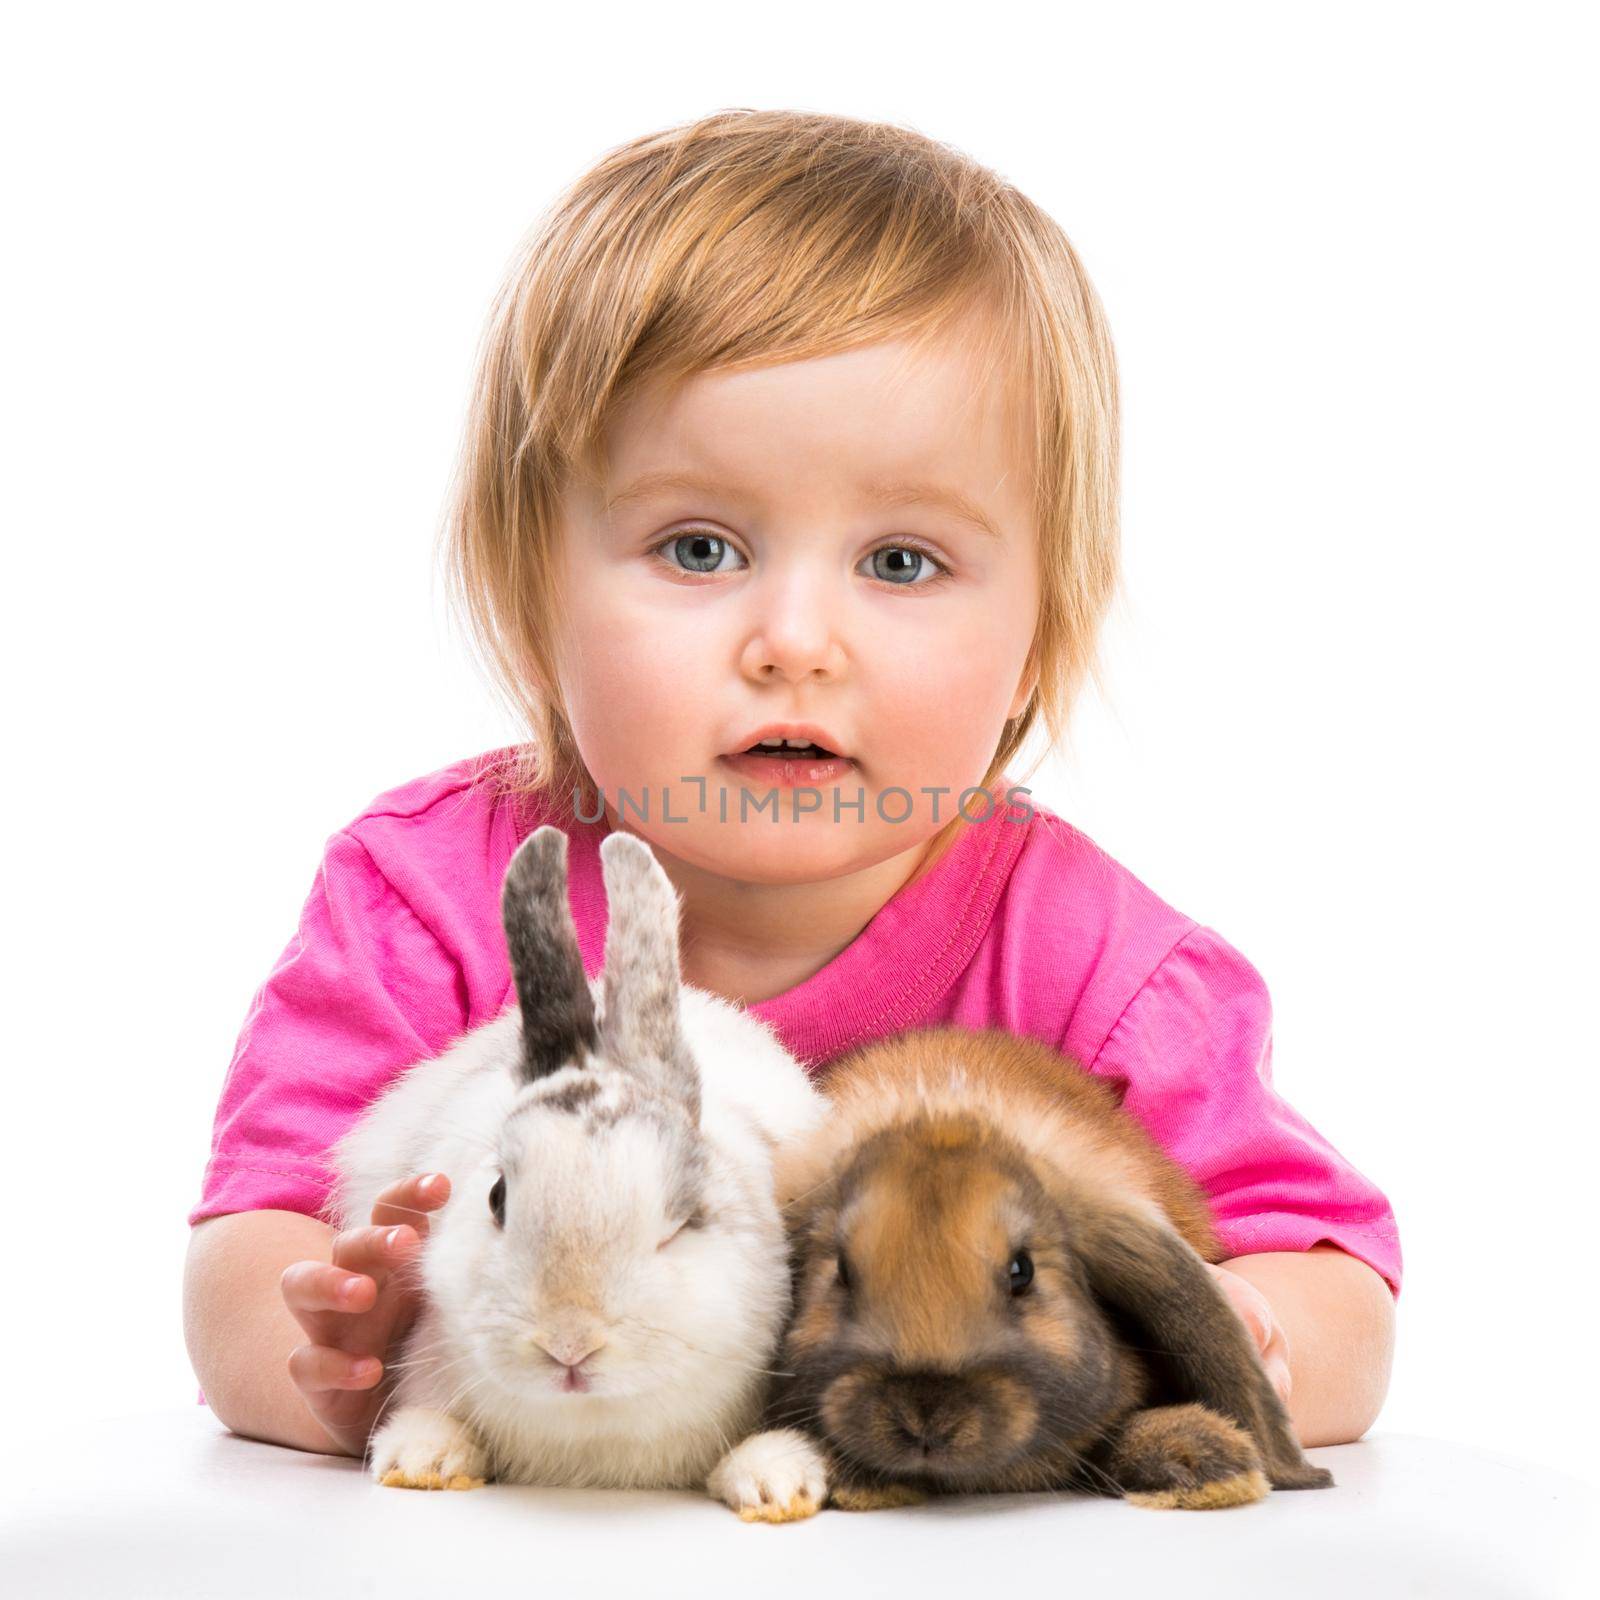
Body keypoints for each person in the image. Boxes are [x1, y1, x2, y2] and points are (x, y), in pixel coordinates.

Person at [183, 108, 1400, 1466]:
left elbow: (1336, 1273)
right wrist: (338, 1347)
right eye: (699, 547)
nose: (795, 642)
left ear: (1036, 644)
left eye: (900, 564)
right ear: (533, 604)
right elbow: (251, 1243)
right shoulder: (433, 896)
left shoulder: (1096, 966)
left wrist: (1250, 1328)